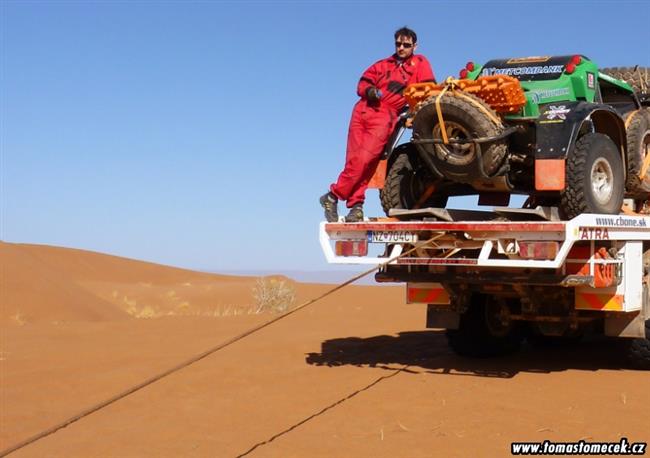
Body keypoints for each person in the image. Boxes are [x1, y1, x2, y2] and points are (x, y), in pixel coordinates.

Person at [320, 26, 435, 222]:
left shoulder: (420, 63)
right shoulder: (383, 64)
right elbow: (363, 84)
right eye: (398, 44)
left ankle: (333, 196)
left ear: (415, 46)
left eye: (406, 45)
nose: (401, 48)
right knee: (355, 160)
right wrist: (370, 91)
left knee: (365, 159)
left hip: (386, 114)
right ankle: (356, 206)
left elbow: (427, 90)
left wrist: (415, 115)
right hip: (362, 110)